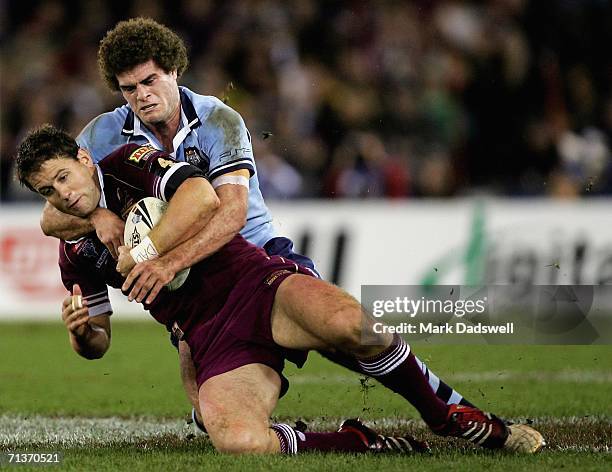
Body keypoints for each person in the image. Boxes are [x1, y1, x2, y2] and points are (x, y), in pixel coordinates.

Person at [36, 17, 475, 428]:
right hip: (192, 285)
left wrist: (162, 259)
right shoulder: (101, 134)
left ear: (173, 71)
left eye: (150, 81)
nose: (142, 96)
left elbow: (231, 213)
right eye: (129, 89)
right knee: (211, 420)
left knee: (339, 336)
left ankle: (449, 409)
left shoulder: (218, 120)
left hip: (255, 254)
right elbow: (52, 211)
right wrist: (97, 214)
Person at [16, 125, 545, 454]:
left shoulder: (126, 162)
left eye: (64, 177)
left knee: (352, 325)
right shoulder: (75, 250)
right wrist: (82, 333)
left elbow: (200, 196)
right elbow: (99, 343)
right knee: (238, 441)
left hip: (253, 281)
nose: (63, 195)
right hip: (208, 335)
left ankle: (445, 414)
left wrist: (147, 249)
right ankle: (354, 441)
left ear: (84, 160)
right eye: (48, 191)